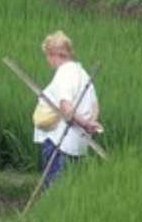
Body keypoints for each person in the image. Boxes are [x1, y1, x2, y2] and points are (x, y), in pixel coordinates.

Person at [30, 32, 102, 190]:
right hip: (78, 145)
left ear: (54, 54)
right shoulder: (82, 73)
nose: (48, 61)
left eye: (47, 56)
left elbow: (66, 107)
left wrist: (85, 124)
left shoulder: (64, 73)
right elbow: (95, 106)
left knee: (54, 192)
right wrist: (90, 124)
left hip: (59, 144)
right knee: (69, 193)